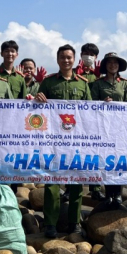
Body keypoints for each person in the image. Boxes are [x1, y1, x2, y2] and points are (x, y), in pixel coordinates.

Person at [35, 44, 92, 238]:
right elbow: (37, 109)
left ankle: (74, 223)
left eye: (69, 57)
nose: (66, 60)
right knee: (51, 183)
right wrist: (38, 99)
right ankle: (50, 223)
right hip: (53, 140)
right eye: (62, 57)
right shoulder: (49, 83)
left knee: (76, 181)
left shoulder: (83, 84)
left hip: (76, 141)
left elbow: (91, 113)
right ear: (57, 60)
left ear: (75, 60)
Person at [90, 52, 127, 207]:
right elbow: (91, 104)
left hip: (120, 127)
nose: (112, 65)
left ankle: (118, 194)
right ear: (105, 65)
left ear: (119, 66)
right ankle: (109, 193)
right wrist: (103, 102)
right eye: (109, 63)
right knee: (107, 161)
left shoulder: (125, 84)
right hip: (103, 127)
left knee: (119, 160)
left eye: (115, 63)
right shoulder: (98, 84)